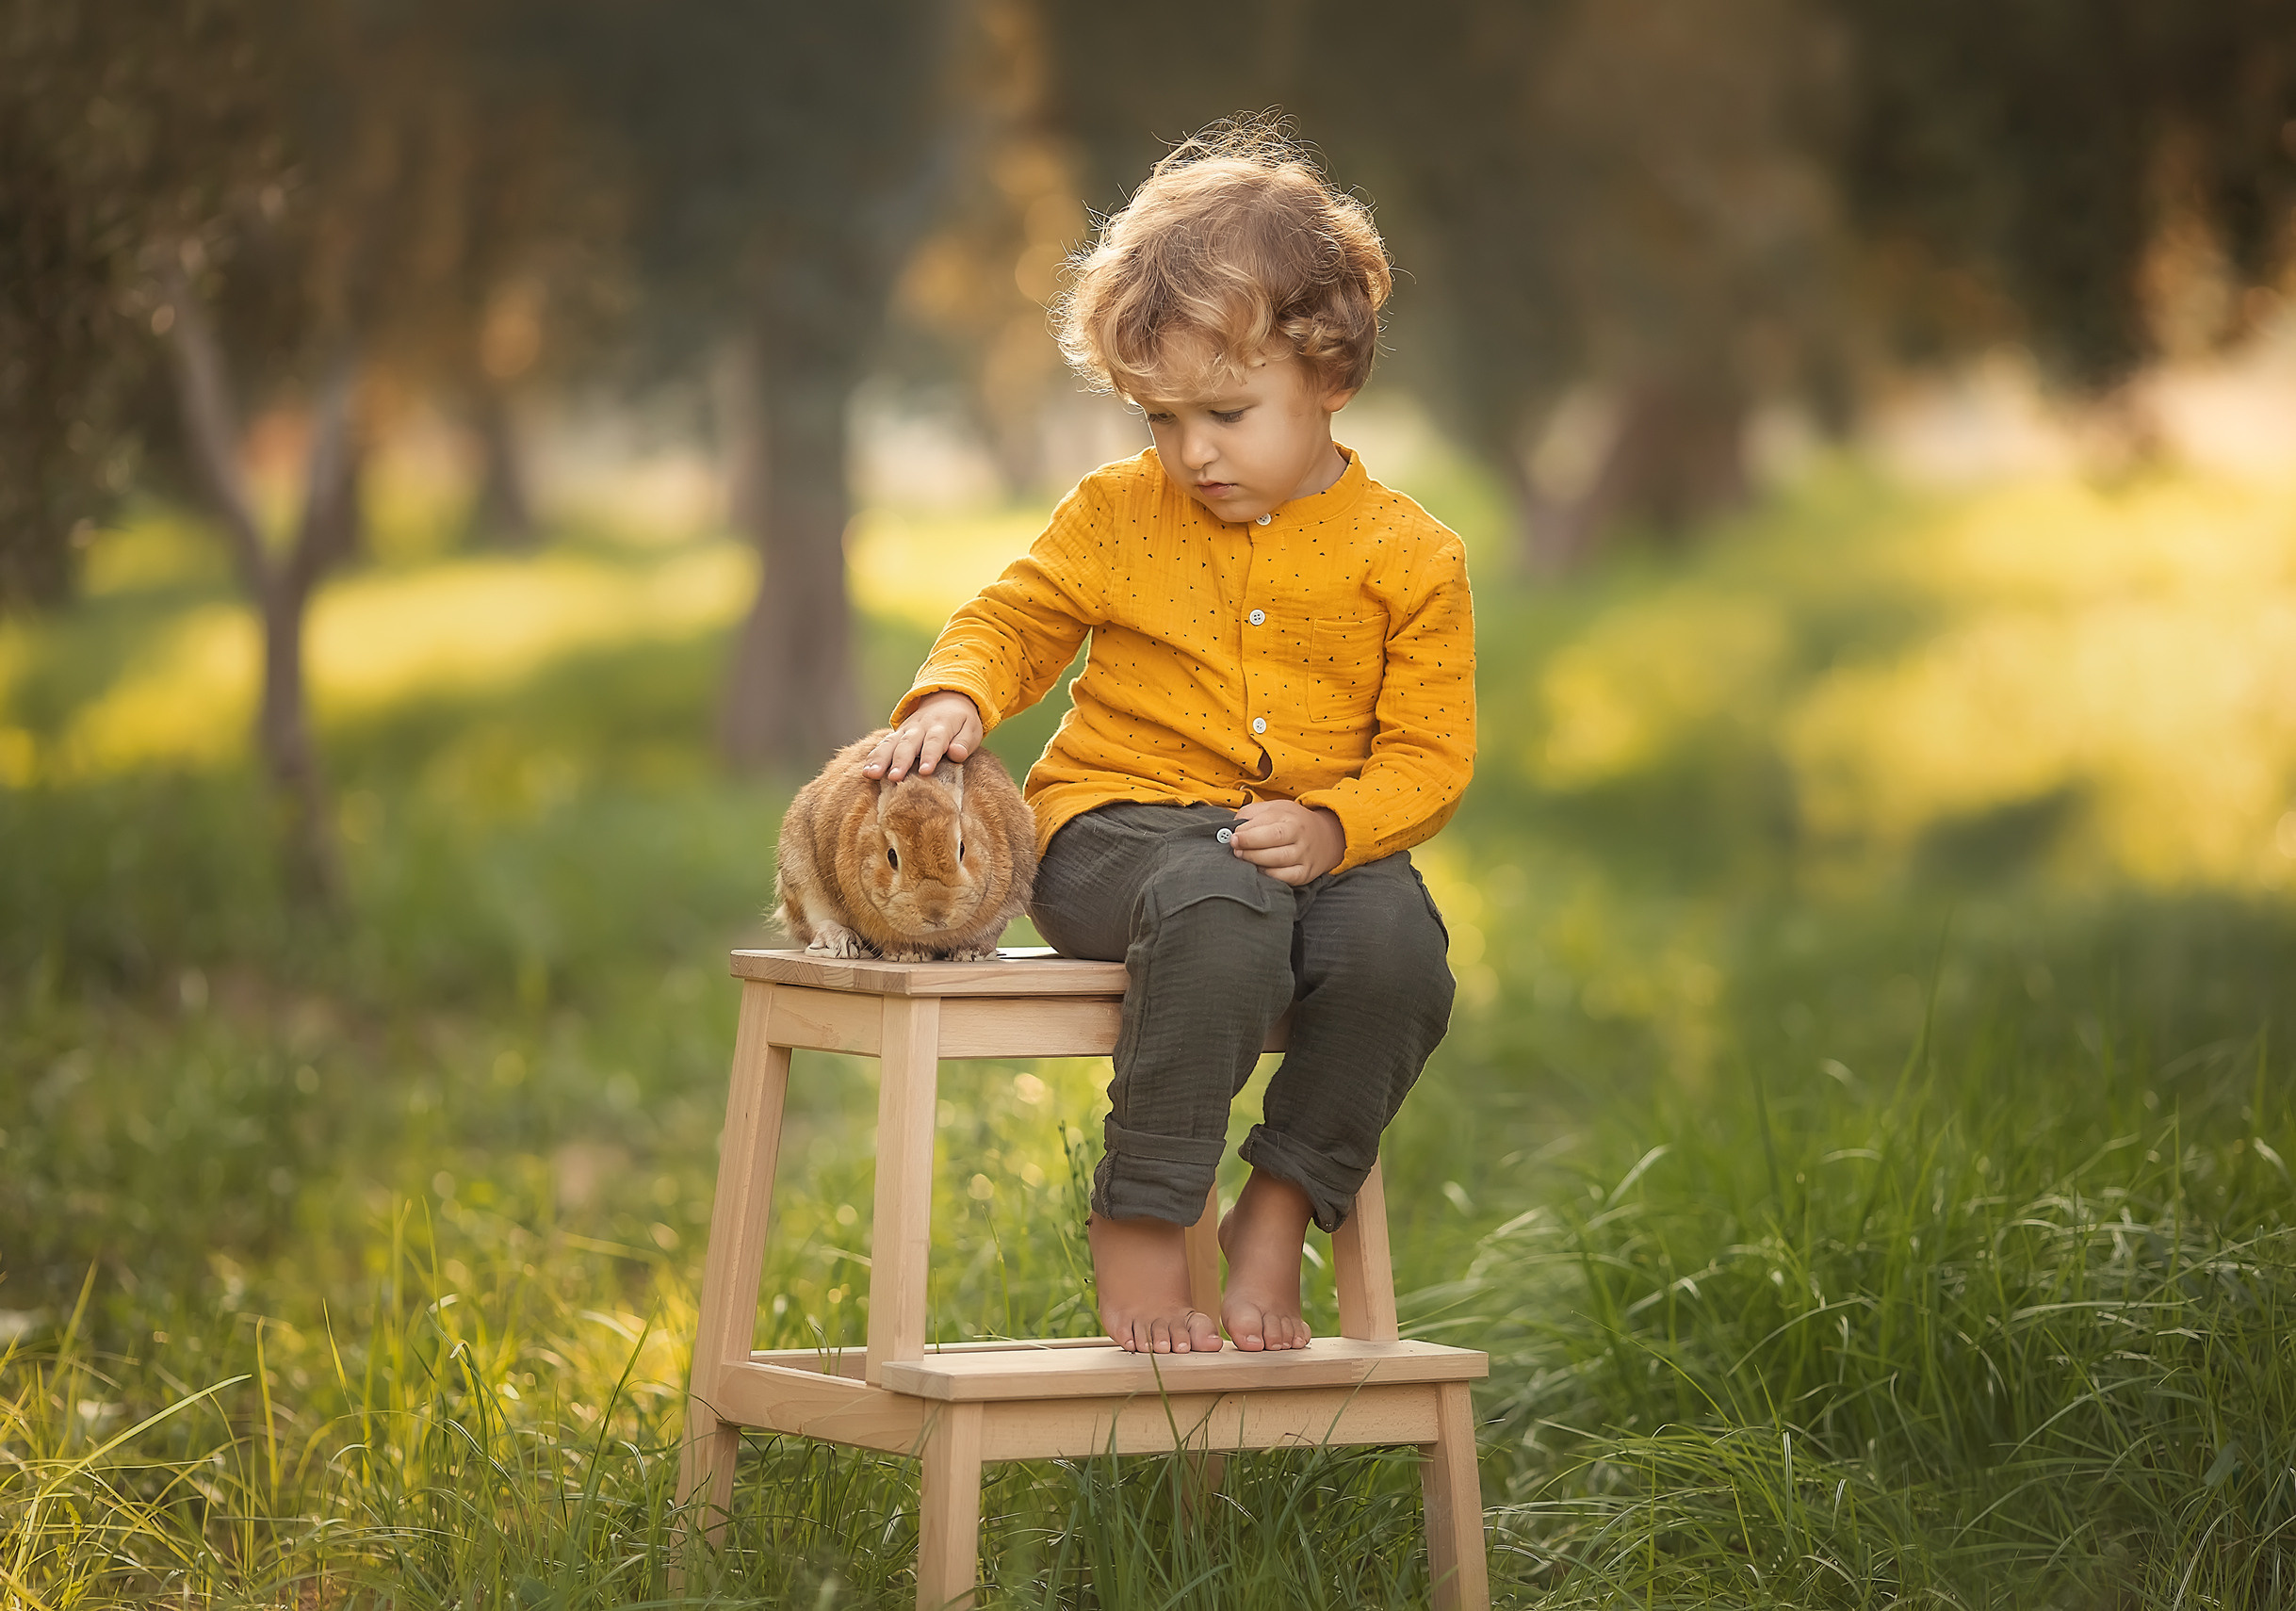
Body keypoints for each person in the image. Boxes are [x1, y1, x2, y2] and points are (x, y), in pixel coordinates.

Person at [862, 120, 1474, 1355]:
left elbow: (1427, 756)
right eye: (1160, 418)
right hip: (1114, 837)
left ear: (1332, 376)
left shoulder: (1412, 557)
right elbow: (1016, 615)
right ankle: (1142, 1218)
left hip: (1315, 846)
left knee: (1400, 945)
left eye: (1229, 412)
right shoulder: (1115, 514)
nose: (1192, 452)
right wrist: (953, 695)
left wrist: (1336, 823)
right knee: (1216, 898)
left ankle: (1280, 1207)